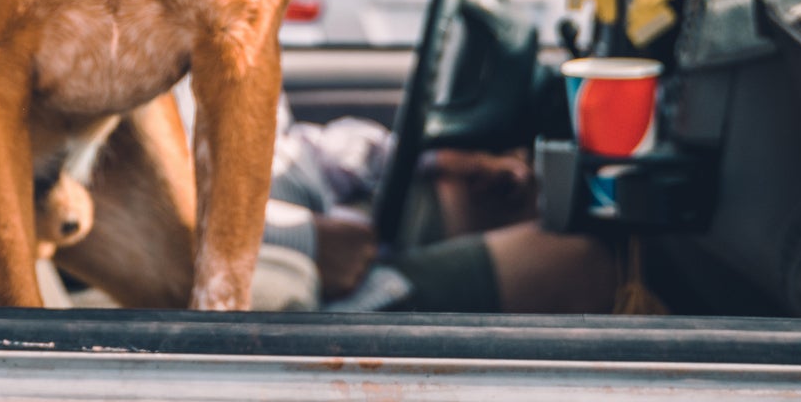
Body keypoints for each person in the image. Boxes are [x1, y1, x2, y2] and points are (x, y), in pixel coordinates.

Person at [253, 98, 627, 314]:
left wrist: (428, 160)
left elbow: (290, 148)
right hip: (309, 293)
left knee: (520, 194)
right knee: (579, 261)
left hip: (333, 211)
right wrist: (307, 240)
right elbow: (192, 220)